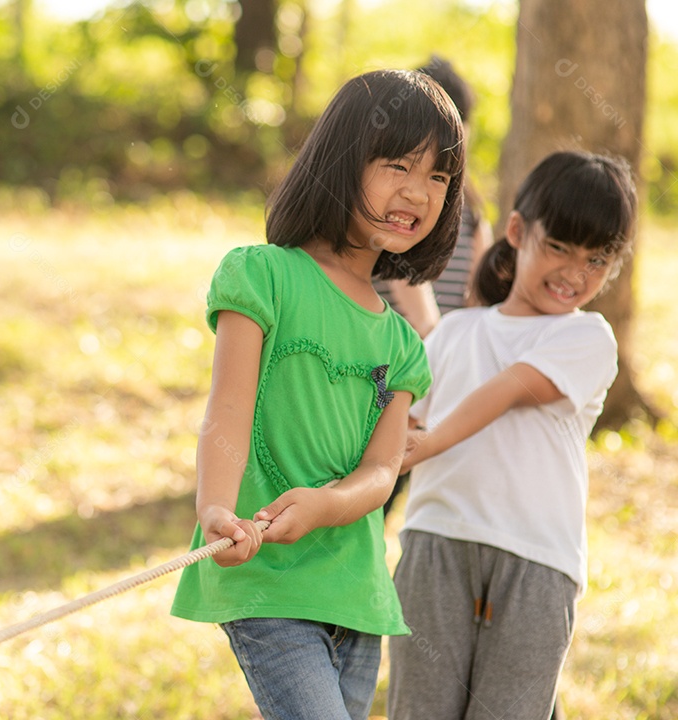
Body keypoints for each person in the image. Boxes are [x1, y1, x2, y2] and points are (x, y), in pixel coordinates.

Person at [170, 68, 465, 720]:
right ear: (341, 160)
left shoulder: (404, 346)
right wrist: (217, 507)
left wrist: (327, 504)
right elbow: (227, 412)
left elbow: (383, 471)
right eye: (397, 165)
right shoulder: (263, 277)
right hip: (269, 582)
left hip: (355, 594)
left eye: (438, 177)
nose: (418, 192)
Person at [387, 150, 637, 719]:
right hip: (435, 545)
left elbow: (510, 390)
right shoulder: (453, 334)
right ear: (519, 231)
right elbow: (398, 428)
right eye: (559, 247)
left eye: (597, 259)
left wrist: (425, 445)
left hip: (536, 563)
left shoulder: (587, 339)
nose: (575, 272)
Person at [379, 55, 493, 519]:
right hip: (394, 364)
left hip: (437, 372)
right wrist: (439, 344)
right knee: (377, 484)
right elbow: (402, 277)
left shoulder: (472, 208)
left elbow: (480, 290)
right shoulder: (405, 201)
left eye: (461, 123)